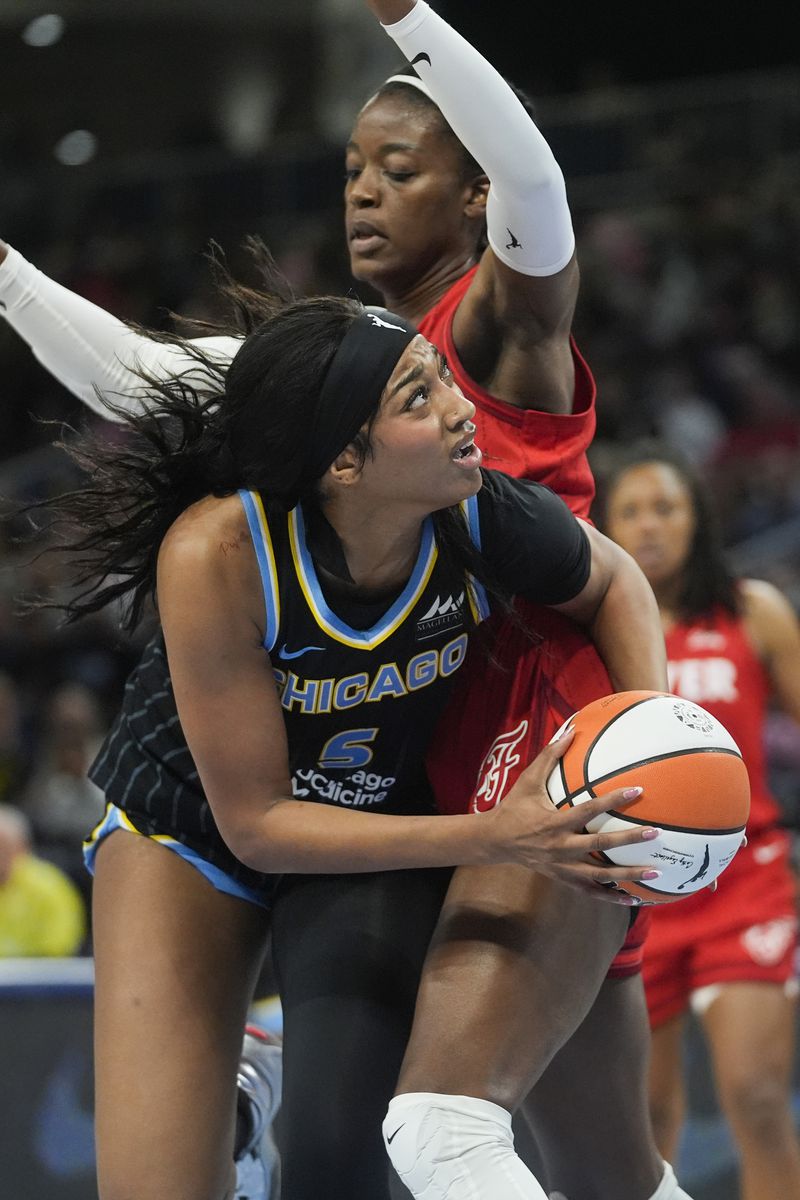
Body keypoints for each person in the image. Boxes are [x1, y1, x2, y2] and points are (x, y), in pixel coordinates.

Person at [0, 4, 692, 1196]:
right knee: (301, 1153)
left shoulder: (494, 353)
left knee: (539, 1149)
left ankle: (281, 1060)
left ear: (468, 198)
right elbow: (142, 378)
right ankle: (260, 1056)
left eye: (398, 168)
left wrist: (644, 721)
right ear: (339, 456)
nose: (361, 192)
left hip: (487, 739)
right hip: (269, 780)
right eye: (350, 170)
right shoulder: (325, 385)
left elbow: (532, 174)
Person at [603, 444, 800, 1200]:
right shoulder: (589, 627)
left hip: (745, 886)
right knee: (645, 1121)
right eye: (632, 512)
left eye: (667, 508)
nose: (649, 527)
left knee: (754, 1096)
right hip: (635, 896)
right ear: (606, 525)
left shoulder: (755, 612)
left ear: (698, 519)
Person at [0, 802, 86, 956]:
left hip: (40, 976)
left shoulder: (49, 886)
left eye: (4, 847)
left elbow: (61, 943)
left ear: (22, 847)